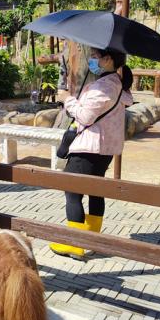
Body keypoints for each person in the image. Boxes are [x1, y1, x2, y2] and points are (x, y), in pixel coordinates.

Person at [50, 47, 133, 259]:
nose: (92, 60)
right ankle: (92, 237)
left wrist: (68, 99)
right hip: (105, 148)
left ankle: (75, 244)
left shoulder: (104, 86)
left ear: (108, 59)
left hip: (89, 147)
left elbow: (85, 116)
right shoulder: (117, 85)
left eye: (95, 57)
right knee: (96, 189)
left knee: (72, 190)